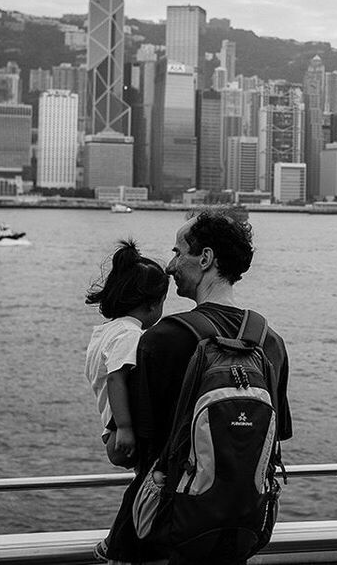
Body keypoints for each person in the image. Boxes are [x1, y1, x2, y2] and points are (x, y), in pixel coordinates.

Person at [101, 210, 292, 565]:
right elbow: (271, 440)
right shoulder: (271, 343)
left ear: (205, 259)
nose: (170, 266)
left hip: (159, 536)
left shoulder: (163, 338)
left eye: (177, 252)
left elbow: (125, 453)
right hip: (236, 535)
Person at [84, 239, 169, 468]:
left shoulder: (106, 331)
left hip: (111, 427)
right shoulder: (130, 334)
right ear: (152, 304)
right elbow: (116, 377)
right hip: (119, 431)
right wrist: (124, 427)